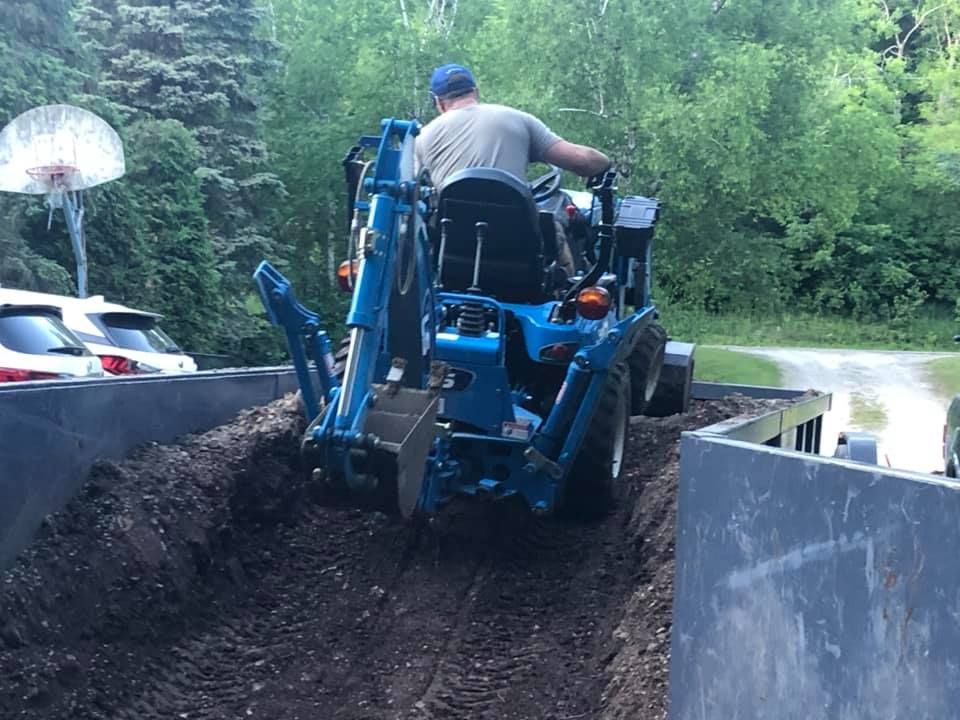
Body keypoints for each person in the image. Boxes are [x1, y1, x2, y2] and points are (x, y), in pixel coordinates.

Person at [416, 63, 611, 276]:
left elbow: (411, 196)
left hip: (451, 251)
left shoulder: (422, 138)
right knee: (553, 226)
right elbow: (581, 162)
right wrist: (606, 163)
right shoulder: (517, 119)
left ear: (439, 102)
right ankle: (564, 295)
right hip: (519, 247)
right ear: (476, 91)